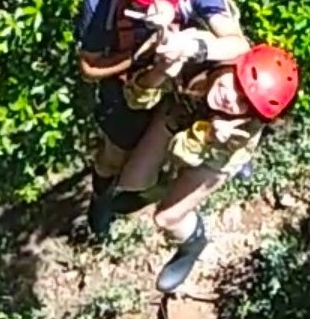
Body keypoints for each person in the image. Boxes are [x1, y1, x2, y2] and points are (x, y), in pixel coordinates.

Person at [74, 0, 248, 236]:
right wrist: (140, 53)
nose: (146, 7)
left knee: (221, 113)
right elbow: (89, 67)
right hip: (128, 81)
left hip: (187, 78)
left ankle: (224, 161)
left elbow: (237, 45)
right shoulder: (101, 1)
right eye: (137, 2)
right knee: (113, 157)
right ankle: (102, 196)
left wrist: (196, 47)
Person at [114, 42, 300, 292]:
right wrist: (161, 70)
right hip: (182, 111)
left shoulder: (237, 134)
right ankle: (154, 189)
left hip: (214, 149)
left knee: (167, 217)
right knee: (132, 182)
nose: (230, 98)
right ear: (231, 65)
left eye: (244, 103)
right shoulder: (202, 59)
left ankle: (193, 241)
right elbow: (136, 97)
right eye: (237, 84)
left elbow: (181, 156)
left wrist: (208, 136)